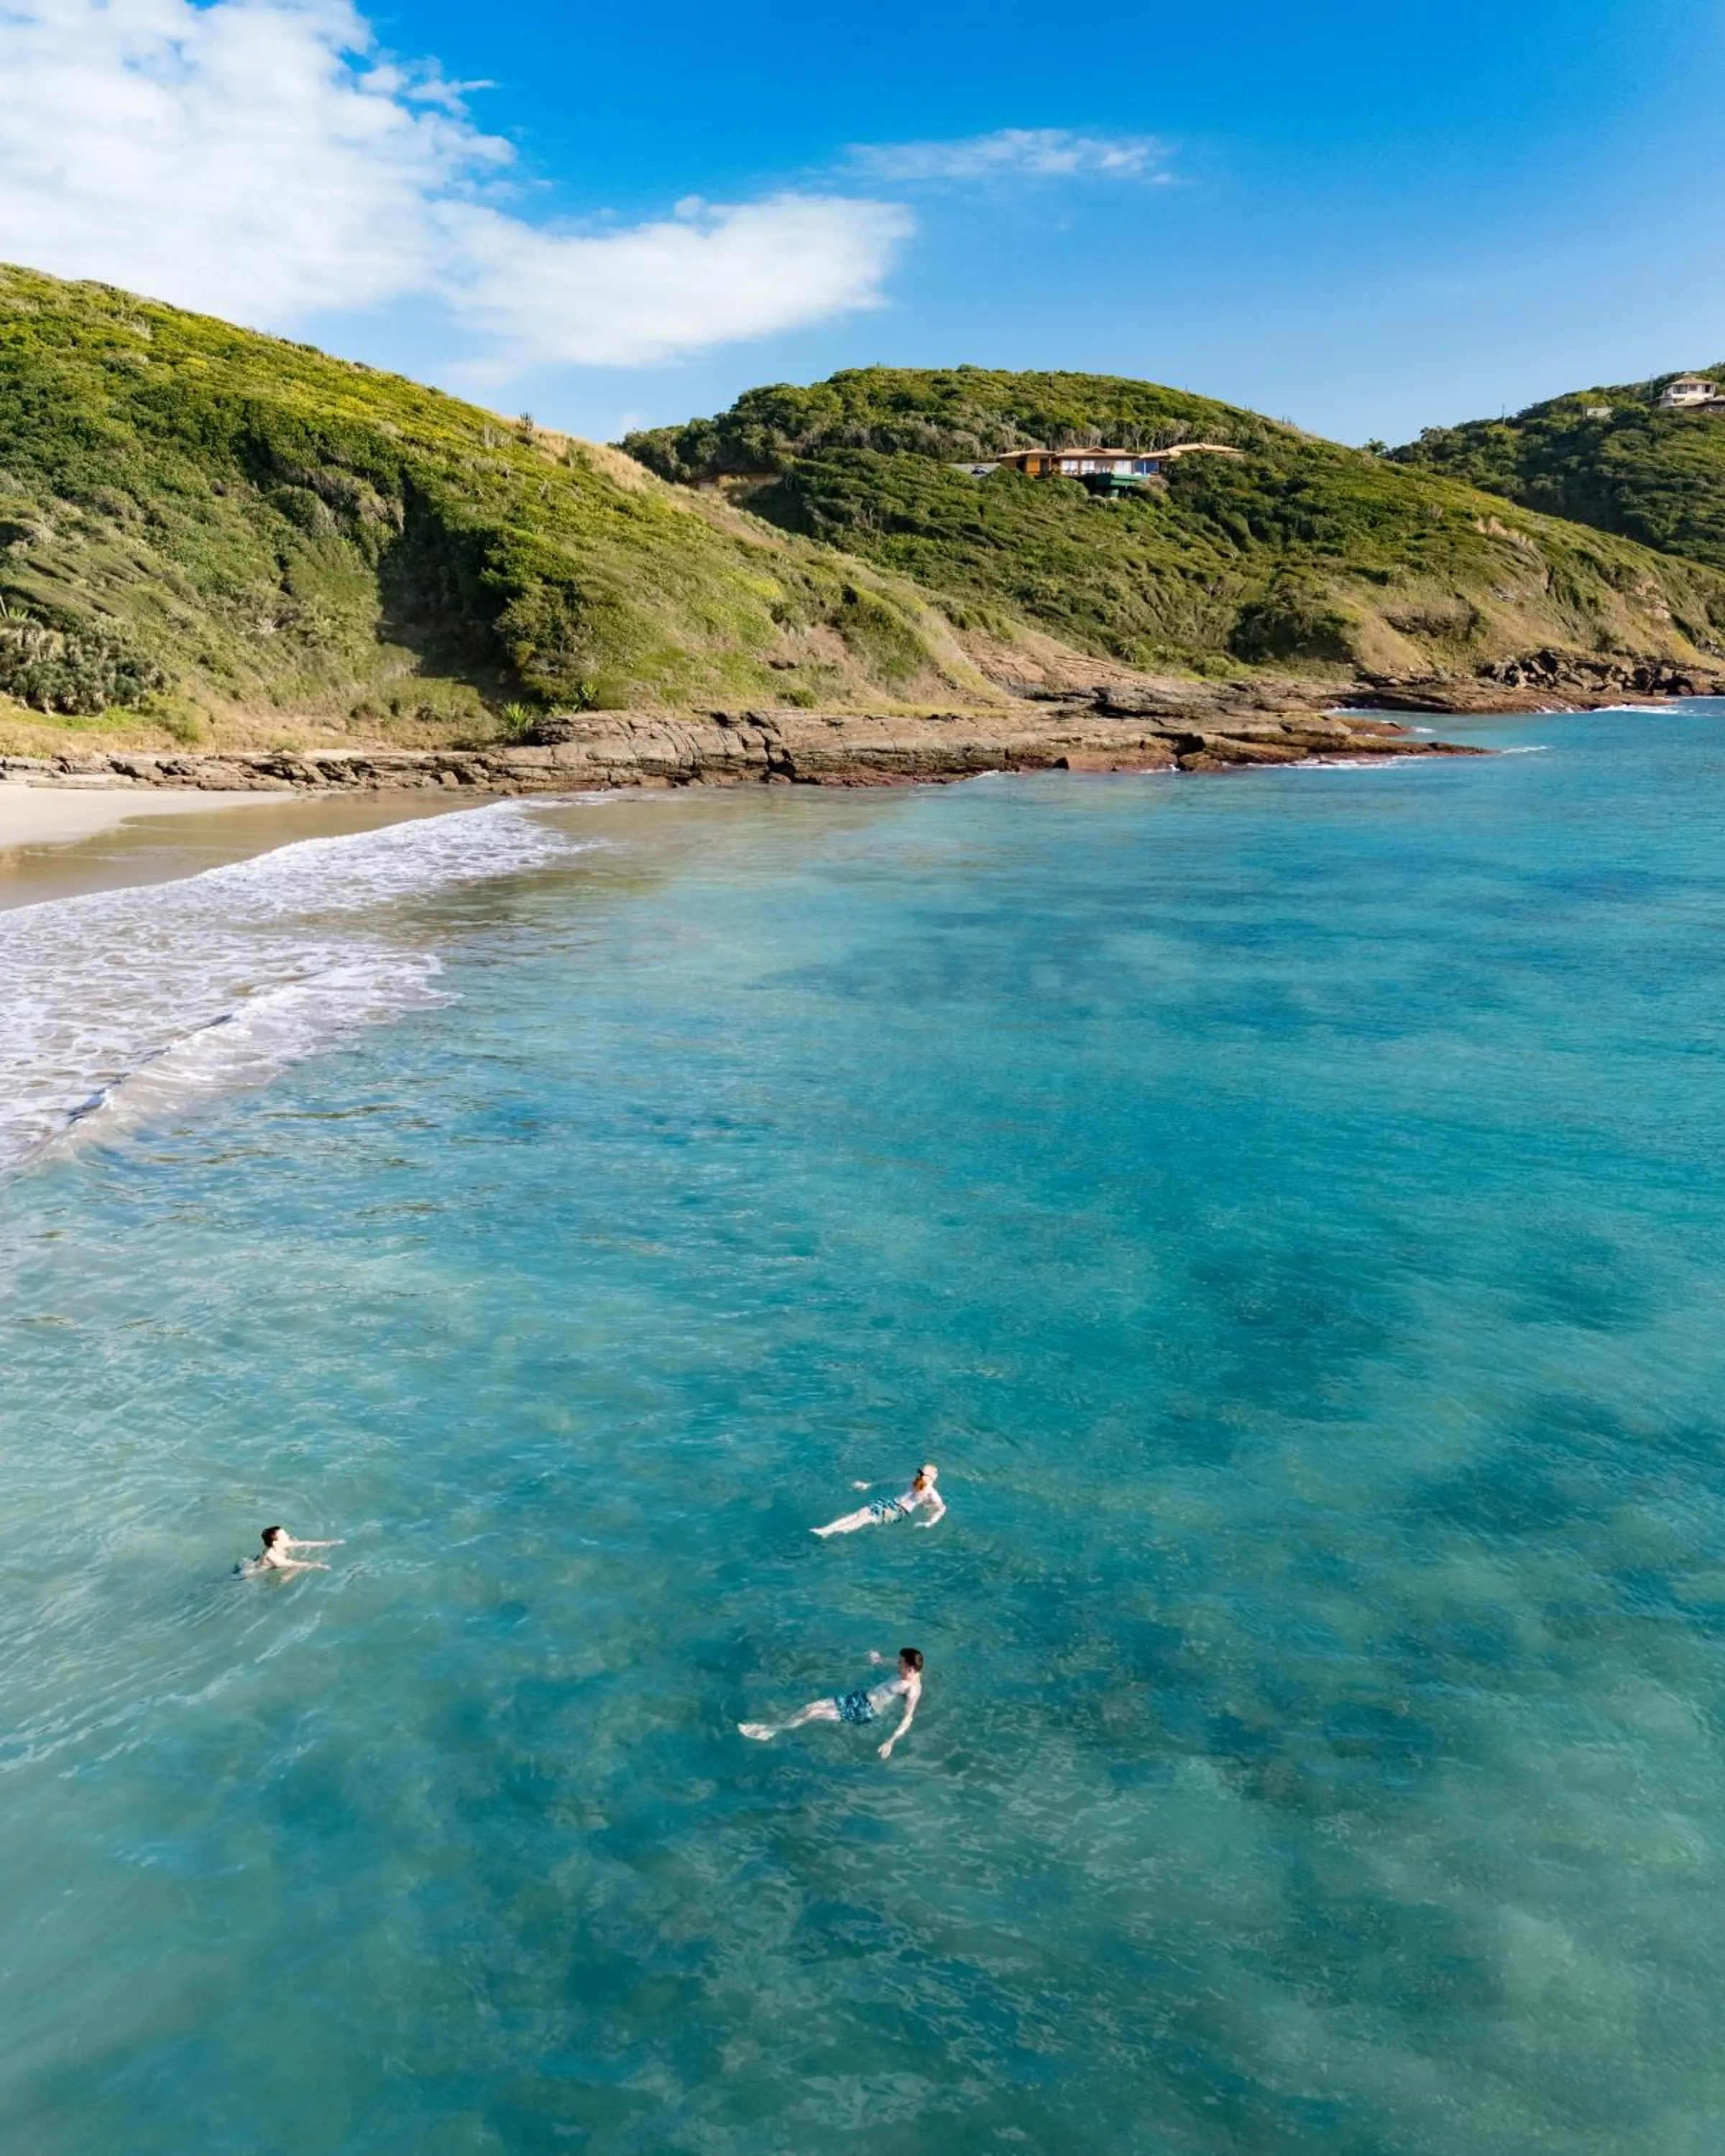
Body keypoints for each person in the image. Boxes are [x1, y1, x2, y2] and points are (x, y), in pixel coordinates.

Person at [740, 1648, 924, 1761]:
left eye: (900, 1663)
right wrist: (876, 1658)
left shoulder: (912, 1689)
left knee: (812, 1715)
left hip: (864, 1711)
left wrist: (890, 1741)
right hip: (859, 1698)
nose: (896, 1664)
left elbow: (908, 1718)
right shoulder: (904, 1671)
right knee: (810, 1707)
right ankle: (774, 1728)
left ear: (909, 1668)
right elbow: (883, 1662)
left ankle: (771, 1730)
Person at [812, 1463, 946, 1539]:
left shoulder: (931, 1494)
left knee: (864, 1519)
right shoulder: (912, 1481)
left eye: (923, 1474)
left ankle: (831, 1532)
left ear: (932, 1478)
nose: (919, 1475)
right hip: (890, 1503)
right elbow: (891, 1482)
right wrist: (869, 1485)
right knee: (861, 1512)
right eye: (919, 1472)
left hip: (900, 1511)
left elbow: (941, 1509)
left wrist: (930, 1522)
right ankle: (826, 1529)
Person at [240, 1525, 343, 1576]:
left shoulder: (283, 1544)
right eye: (285, 1536)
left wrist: (329, 1543)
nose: (288, 1536)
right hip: (249, 1574)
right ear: (275, 1542)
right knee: (292, 1571)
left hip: (262, 1564)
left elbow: (306, 1543)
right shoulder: (271, 1556)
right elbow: (293, 1564)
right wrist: (318, 1565)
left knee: (291, 1571)